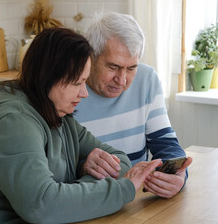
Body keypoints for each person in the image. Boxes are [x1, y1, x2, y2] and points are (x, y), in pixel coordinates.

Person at [0, 28, 163, 224]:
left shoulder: (60, 117)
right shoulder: (12, 122)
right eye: (77, 83)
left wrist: (82, 167)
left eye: (84, 81)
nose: (84, 93)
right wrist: (124, 188)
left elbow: (119, 160)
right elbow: (42, 203)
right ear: (48, 78)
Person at [74, 12, 192, 199]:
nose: (121, 80)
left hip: (133, 202)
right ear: (91, 57)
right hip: (89, 200)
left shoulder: (147, 79)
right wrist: (81, 166)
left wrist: (178, 176)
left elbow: (166, 143)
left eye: (131, 68)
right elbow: (54, 168)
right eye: (113, 67)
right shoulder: (67, 89)